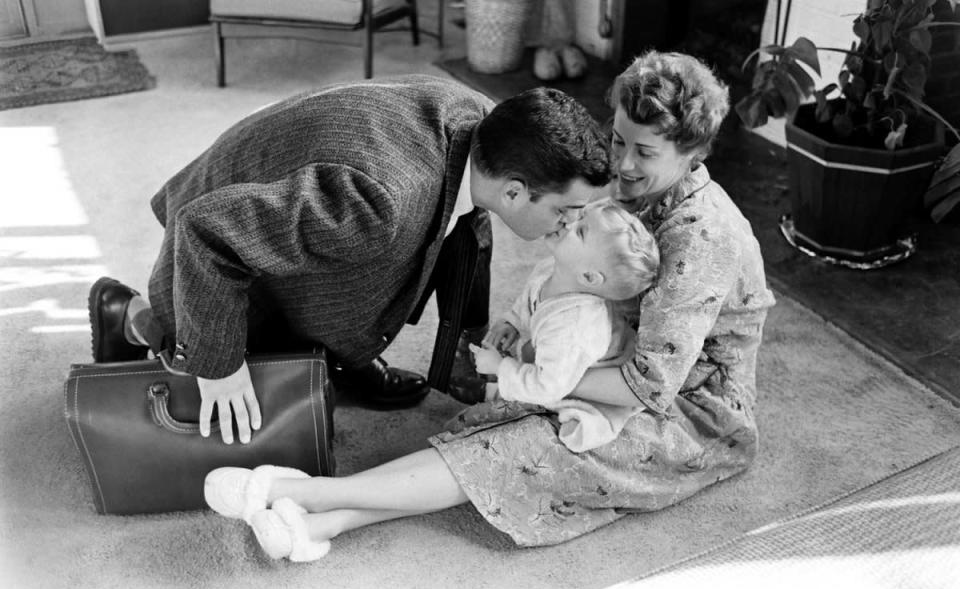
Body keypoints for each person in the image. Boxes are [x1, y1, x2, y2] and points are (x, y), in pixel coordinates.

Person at [200, 49, 777, 561]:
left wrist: (530, 376)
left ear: (693, 153)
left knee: (524, 441)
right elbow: (576, 282)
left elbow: (651, 387)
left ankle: (299, 493)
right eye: (618, 139)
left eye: (644, 151)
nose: (623, 165)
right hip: (596, 359)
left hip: (687, 405)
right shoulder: (625, 198)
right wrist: (519, 333)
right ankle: (323, 524)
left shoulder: (705, 238)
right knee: (488, 422)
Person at [87, 75, 610, 444]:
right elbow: (206, 231)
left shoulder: (486, 128)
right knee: (212, 352)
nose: (569, 226)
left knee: (377, 255)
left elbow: (464, 237)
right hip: (217, 223)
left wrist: (467, 341)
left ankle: (344, 353)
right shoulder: (385, 202)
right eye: (567, 211)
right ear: (516, 192)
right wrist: (220, 370)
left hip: (310, 191)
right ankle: (127, 314)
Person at [469, 200, 659, 453]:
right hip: (555, 358)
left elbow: (550, 386)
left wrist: (500, 367)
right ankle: (500, 389)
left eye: (581, 231)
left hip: (578, 381)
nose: (569, 221)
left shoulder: (574, 329)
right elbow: (532, 297)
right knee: (527, 362)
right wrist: (513, 321)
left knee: (478, 426)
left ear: (589, 277)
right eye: (581, 217)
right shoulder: (555, 268)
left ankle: (500, 393)